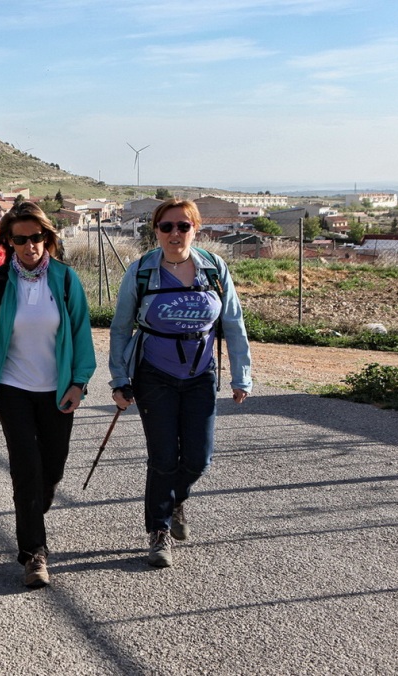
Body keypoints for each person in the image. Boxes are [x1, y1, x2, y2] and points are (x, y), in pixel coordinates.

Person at [109, 198, 252, 568]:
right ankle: (158, 531)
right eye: (166, 227)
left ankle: (174, 501)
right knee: (163, 457)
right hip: (154, 373)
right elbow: (122, 327)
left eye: (183, 226)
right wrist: (120, 379)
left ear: (195, 228)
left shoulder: (214, 268)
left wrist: (241, 376)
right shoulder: (141, 271)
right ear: (155, 230)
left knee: (199, 459)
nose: (175, 233)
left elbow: (233, 324)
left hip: (201, 373)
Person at [0, 202, 95, 588]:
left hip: (57, 391)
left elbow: (82, 335)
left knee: (51, 468)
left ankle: (37, 503)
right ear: (9, 241)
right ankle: (34, 554)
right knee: (25, 468)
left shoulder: (67, 280)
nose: (29, 245)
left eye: (35, 237)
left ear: (47, 237)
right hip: (12, 389)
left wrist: (79, 383)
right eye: (19, 239)